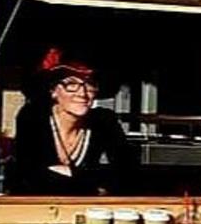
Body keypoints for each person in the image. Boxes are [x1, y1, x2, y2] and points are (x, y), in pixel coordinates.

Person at [10, 48, 129, 195]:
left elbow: (127, 173)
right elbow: (27, 176)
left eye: (89, 84)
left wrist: (71, 174)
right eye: (71, 85)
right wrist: (91, 183)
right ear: (53, 91)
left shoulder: (104, 120)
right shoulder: (33, 116)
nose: (82, 93)